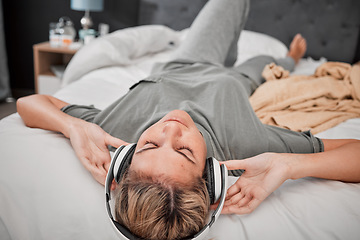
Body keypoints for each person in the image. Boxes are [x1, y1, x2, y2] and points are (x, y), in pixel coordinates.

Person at [17, 0, 360, 239]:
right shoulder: (247, 148)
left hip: (190, 60)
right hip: (239, 82)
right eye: (184, 151)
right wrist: (288, 166)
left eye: (150, 144)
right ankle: (290, 57)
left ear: (126, 158)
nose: (170, 128)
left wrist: (72, 126)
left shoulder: (112, 130)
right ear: (211, 175)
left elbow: (29, 102)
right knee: (267, 65)